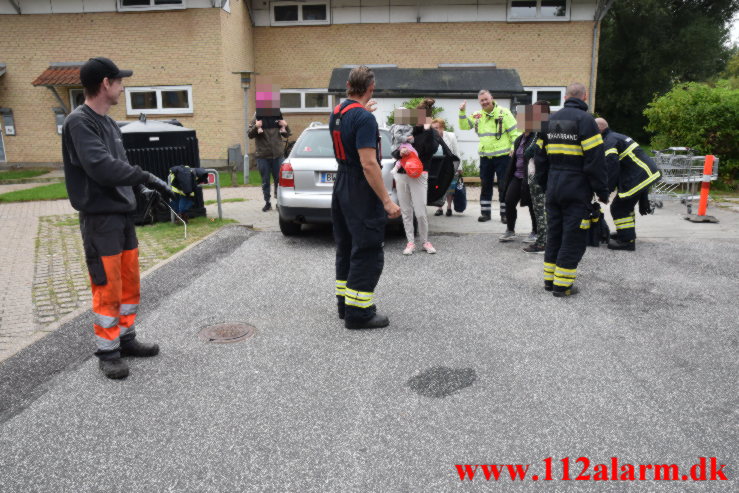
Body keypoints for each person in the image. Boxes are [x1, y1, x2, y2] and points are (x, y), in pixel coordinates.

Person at [61, 57, 176, 379]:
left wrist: (142, 190)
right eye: (120, 82)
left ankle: (125, 339)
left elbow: (119, 164)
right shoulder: (79, 122)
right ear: (105, 84)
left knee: (128, 282)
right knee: (108, 285)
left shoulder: (111, 123)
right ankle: (107, 351)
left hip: (122, 215)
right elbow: (100, 166)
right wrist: (146, 177)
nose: (123, 88)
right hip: (101, 219)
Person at [330, 66, 401, 330]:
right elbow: (369, 164)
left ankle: (344, 305)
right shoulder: (364, 119)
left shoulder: (338, 113)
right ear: (371, 87)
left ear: (348, 85)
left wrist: (363, 114)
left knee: (346, 246)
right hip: (360, 187)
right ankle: (359, 314)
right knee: (368, 248)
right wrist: (386, 200)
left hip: (341, 185)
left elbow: (350, 128)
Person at [535, 83, 609, 297]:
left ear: (566, 96)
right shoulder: (586, 121)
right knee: (573, 237)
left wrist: (544, 184)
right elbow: (595, 161)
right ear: (584, 96)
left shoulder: (548, 120)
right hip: (577, 189)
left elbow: (539, 158)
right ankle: (563, 286)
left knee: (554, 234)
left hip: (553, 187)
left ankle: (549, 281)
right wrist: (602, 192)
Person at [595, 118, 662, 251]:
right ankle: (626, 233)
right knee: (626, 205)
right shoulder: (615, 137)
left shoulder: (608, 142)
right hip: (644, 174)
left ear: (599, 129)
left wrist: (606, 191)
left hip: (638, 176)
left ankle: (626, 241)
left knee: (618, 208)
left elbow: (611, 167)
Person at [459, 89, 520, 223]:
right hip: (485, 157)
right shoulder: (477, 115)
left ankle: (505, 215)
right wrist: (462, 112)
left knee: (504, 185)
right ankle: (485, 214)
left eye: (486, 99)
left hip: (503, 157)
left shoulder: (504, 113)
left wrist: (513, 148)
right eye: (482, 100)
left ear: (491, 98)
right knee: (486, 185)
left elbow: (515, 133)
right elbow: (464, 126)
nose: (484, 102)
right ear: (479, 102)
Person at [390, 100, 440, 255]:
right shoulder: (407, 130)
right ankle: (410, 241)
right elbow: (394, 151)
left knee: (420, 211)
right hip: (402, 174)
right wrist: (400, 153)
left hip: (419, 174)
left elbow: (431, 149)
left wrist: (428, 130)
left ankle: (425, 241)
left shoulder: (430, 132)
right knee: (406, 210)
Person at [499, 102, 550, 244]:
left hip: (531, 178)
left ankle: (535, 232)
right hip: (517, 176)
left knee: (533, 205)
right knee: (509, 201)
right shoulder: (518, 139)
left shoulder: (536, 137)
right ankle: (510, 230)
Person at [248, 105, 291, 212]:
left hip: (278, 155)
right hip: (263, 155)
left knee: (279, 180)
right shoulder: (257, 115)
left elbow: (286, 134)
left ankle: (278, 202)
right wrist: (256, 126)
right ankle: (267, 202)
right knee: (265, 180)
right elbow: (249, 134)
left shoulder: (277, 114)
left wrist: (286, 125)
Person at [524, 101, 551, 254]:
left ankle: (542, 243)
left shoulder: (541, 128)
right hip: (546, 174)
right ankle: (546, 240)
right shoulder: (553, 126)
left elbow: (528, 152)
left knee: (540, 211)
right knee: (545, 210)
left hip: (539, 175)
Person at [431, 118, 461, 217]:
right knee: (438, 187)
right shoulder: (431, 137)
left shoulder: (451, 136)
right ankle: (439, 208)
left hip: (450, 165)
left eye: (437, 128)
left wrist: (459, 167)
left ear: (442, 128)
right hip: (437, 166)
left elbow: (456, 151)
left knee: (450, 188)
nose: (435, 130)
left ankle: (449, 207)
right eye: (433, 128)